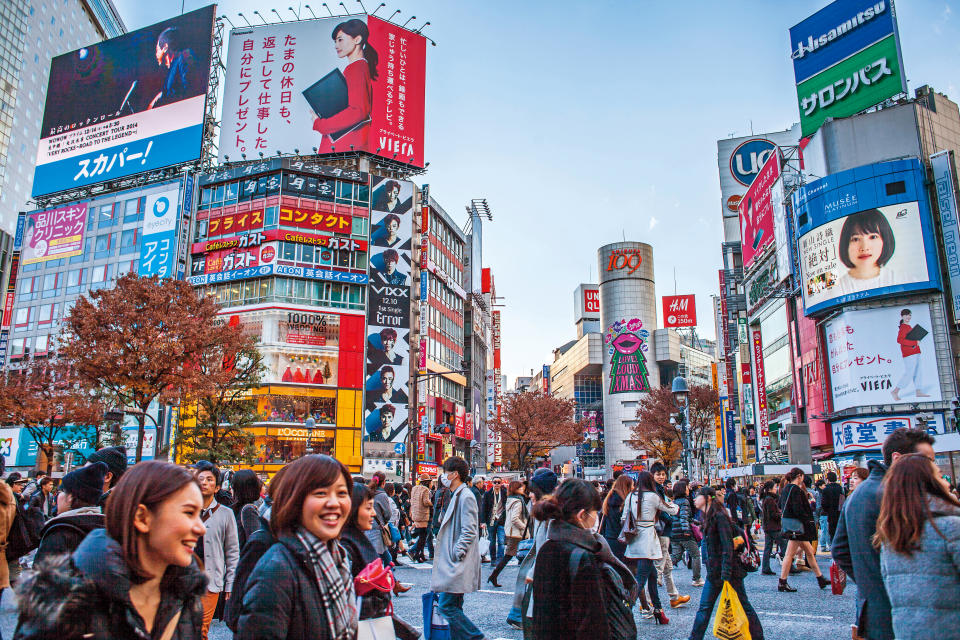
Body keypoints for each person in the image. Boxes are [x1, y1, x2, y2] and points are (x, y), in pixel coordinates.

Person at [14, 461, 207, 640]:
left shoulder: (187, 597)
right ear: (142, 517)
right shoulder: (64, 605)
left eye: (200, 514)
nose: (201, 528)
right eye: (188, 512)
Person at [236, 455, 357, 640]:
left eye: (342, 493)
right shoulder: (276, 570)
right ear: (295, 499)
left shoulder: (337, 557)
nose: (334, 503)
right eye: (320, 493)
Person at [833, 427, 937, 640]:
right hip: (905, 612)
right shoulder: (897, 494)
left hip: (872, 609)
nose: (931, 468)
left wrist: (868, 580)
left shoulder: (858, 494)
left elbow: (839, 549)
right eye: (926, 460)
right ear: (897, 458)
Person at [531, 478, 636, 640]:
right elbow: (593, 624)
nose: (596, 517)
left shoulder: (548, 547)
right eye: (595, 512)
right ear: (582, 515)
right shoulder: (584, 556)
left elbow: (541, 612)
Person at [874, 453, 960, 639]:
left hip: (907, 631)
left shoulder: (891, 532)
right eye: (938, 475)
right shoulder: (949, 526)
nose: (946, 482)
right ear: (929, 482)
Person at [688, 487, 764, 640]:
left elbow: (727, 545)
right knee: (704, 608)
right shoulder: (707, 516)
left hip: (728, 572)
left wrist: (726, 572)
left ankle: (758, 637)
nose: (695, 499)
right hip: (715, 572)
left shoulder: (719, 516)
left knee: (744, 606)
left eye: (698, 496)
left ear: (708, 498)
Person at [430, 456, 484, 640]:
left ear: (454, 474)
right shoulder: (457, 494)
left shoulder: (465, 496)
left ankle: (476, 637)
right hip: (454, 561)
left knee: (447, 606)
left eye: (446, 472)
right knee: (454, 606)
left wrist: (457, 553)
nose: (443, 475)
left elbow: (469, 529)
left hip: (456, 562)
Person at [623, 470, 679, 624]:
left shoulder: (630, 496)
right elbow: (672, 510)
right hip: (648, 537)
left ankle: (658, 610)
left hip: (634, 538)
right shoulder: (653, 497)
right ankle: (626, 607)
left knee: (652, 575)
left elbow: (623, 518)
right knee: (641, 578)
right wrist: (671, 501)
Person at [312, 19, 377, 152]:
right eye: (335, 41)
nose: (336, 45)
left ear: (357, 39)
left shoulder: (357, 68)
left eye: (340, 40)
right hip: (349, 146)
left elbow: (357, 111)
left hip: (345, 147)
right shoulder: (358, 67)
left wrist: (320, 124)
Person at [506, 467, 558, 630]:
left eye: (533, 492)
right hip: (539, 574)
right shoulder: (544, 513)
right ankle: (518, 616)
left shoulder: (553, 517)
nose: (529, 495)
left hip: (548, 581)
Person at [195, 464, 239, 640]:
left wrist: (230, 583)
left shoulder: (226, 514)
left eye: (209, 480)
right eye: (200, 479)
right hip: (183, 579)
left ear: (218, 487)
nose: (204, 483)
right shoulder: (184, 510)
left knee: (200, 629)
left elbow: (232, 551)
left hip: (211, 580)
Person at [34, 463, 108, 563]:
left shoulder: (59, 533)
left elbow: (42, 576)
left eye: (61, 491)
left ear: (70, 497)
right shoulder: (105, 529)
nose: (58, 496)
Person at [339, 482, 392, 620]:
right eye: (368, 508)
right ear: (352, 509)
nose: (373, 513)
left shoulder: (354, 538)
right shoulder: (344, 548)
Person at [777, 468, 829, 592]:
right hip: (797, 527)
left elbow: (780, 505)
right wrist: (809, 511)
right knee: (789, 555)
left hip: (792, 525)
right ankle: (782, 582)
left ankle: (820, 578)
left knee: (810, 552)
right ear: (799, 476)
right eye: (802, 477)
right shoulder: (796, 490)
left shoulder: (786, 489)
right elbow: (798, 509)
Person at [651, 462, 688, 607]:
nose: (661, 477)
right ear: (652, 475)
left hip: (663, 530)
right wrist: (671, 518)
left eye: (663, 474)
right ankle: (647, 601)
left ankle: (674, 596)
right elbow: (660, 510)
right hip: (661, 530)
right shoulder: (655, 490)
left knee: (666, 567)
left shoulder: (658, 489)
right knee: (659, 567)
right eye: (658, 474)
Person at [834, 208, 897, 295]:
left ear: (885, 240)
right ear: (845, 244)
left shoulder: (902, 280)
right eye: (855, 239)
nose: (864, 247)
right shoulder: (835, 291)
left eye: (873, 237)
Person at [150, 26, 202, 109]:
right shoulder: (172, 68)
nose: (156, 54)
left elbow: (191, 88)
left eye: (157, 50)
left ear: (165, 47)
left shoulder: (185, 55)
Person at [488, 480, 527, 587]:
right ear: (517, 489)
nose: (523, 489)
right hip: (516, 532)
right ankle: (494, 576)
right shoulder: (518, 501)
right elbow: (514, 518)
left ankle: (494, 575)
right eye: (521, 487)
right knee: (511, 555)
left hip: (510, 531)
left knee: (510, 556)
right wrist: (524, 527)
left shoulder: (510, 499)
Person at [892, 309, 930, 401]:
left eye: (909, 315)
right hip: (909, 353)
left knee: (917, 371)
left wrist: (917, 341)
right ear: (902, 316)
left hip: (915, 351)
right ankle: (895, 391)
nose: (908, 317)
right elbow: (900, 340)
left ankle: (918, 391)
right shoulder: (903, 327)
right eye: (906, 315)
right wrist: (914, 342)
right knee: (909, 373)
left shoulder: (908, 326)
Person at [670, 480, 702, 587]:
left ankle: (659, 571)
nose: (689, 489)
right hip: (684, 533)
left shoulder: (673, 502)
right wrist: (686, 530)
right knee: (696, 555)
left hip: (674, 533)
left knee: (676, 556)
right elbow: (684, 517)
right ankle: (696, 579)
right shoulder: (685, 501)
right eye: (687, 488)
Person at [600, 474, 633, 563]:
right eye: (632, 485)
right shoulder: (625, 503)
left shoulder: (607, 500)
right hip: (622, 540)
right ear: (627, 487)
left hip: (608, 539)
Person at [365, 471, 394, 566]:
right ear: (383, 482)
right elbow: (388, 514)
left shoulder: (367, 493)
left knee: (386, 558)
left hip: (367, 528)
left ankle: (392, 579)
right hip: (377, 530)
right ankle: (384, 579)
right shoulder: (382, 495)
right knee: (377, 560)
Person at [230, 469, 263, 550]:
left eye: (233, 486)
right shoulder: (238, 508)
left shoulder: (248, 510)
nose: (230, 488)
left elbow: (255, 544)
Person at [760, 480, 785, 576]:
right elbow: (773, 514)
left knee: (768, 548)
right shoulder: (770, 500)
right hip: (773, 527)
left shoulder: (766, 498)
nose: (776, 489)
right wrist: (780, 514)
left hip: (767, 526)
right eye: (775, 487)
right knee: (784, 545)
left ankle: (765, 568)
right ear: (770, 489)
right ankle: (789, 565)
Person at [482, 477, 507, 567]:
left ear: (501, 483)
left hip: (501, 520)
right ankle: (493, 559)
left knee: (501, 541)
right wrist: (483, 521)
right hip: (491, 520)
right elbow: (484, 508)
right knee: (492, 541)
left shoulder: (504, 493)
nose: (497, 484)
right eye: (495, 482)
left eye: (498, 482)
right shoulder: (488, 494)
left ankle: (500, 560)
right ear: (492, 483)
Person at [410, 474, 433, 562]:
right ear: (427, 482)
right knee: (423, 537)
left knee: (421, 536)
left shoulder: (414, 488)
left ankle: (420, 555)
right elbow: (425, 502)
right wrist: (432, 503)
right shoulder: (425, 490)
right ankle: (416, 554)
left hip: (415, 514)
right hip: (423, 515)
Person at [821, 471, 844, 544]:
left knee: (832, 531)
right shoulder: (840, 488)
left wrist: (827, 510)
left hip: (830, 513)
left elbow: (824, 503)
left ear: (828, 479)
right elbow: (842, 501)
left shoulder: (826, 489)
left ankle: (833, 545)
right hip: (839, 513)